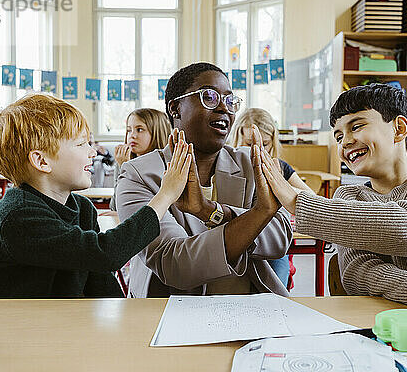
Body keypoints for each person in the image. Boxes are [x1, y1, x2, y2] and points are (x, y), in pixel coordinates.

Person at [258, 83, 407, 311]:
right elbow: (359, 274)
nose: (346, 142)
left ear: (399, 129)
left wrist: (298, 203)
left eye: (357, 126)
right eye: (338, 137)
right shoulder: (348, 195)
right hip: (376, 320)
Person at [0, 94, 192, 298]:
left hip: (56, 328)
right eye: (80, 144)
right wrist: (165, 195)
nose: (92, 152)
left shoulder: (82, 208)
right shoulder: (17, 215)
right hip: (12, 334)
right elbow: (106, 253)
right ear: (41, 161)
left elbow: (100, 282)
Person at [115, 62, 293, 297]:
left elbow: (280, 238)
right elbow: (175, 264)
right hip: (170, 313)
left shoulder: (250, 164)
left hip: (250, 307)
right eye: (209, 97)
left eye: (230, 101)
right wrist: (258, 214)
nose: (223, 108)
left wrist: (212, 212)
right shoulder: (138, 175)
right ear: (176, 108)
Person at [229, 107, 313, 288]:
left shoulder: (280, 167)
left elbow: (311, 197)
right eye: (248, 144)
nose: (257, 150)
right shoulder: (227, 167)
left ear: (272, 142)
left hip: (272, 241)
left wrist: (280, 184)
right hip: (237, 236)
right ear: (237, 139)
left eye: (264, 144)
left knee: (277, 287)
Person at [110, 109, 171, 210]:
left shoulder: (165, 165)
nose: (132, 136)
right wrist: (123, 168)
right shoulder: (124, 161)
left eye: (139, 130)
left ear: (157, 132)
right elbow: (115, 207)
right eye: (129, 130)